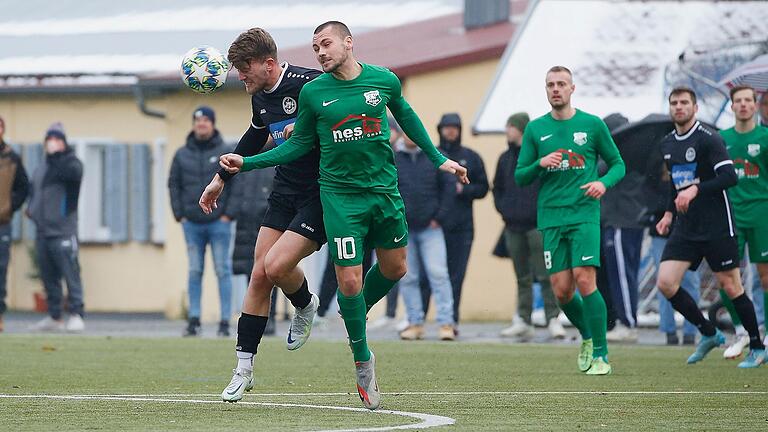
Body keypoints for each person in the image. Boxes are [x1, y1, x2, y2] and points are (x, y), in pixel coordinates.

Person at [218, 21, 468, 410]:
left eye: (326, 43)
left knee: (395, 269)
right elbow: (294, 143)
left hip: (375, 193)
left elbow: (406, 117)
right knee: (295, 273)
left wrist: (439, 159)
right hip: (332, 196)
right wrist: (239, 167)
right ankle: (340, 360)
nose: (320, 51)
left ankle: (345, 312)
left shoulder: (374, 81)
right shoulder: (311, 94)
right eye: (315, 46)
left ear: (349, 43)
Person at [197, 28, 324, 402]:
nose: (240, 75)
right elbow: (254, 138)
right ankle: (243, 369)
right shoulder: (261, 98)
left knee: (275, 266)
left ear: (269, 64)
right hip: (284, 190)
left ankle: (304, 303)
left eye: (244, 67)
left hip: (320, 192)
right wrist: (219, 180)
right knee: (259, 273)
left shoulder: (311, 85)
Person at [515, 66, 625, 375]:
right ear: (546, 90)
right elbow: (520, 176)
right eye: (550, 84)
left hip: (584, 215)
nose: (556, 89)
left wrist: (603, 183)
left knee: (585, 278)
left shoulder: (591, 125)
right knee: (562, 291)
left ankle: (602, 354)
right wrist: (539, 163)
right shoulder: (536, 130)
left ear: (572, 88)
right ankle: (587, 336)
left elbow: (618, 164)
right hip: (551, 217)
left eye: (561, 84)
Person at [654, 86, 764, 368]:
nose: (679, 107)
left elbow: (729, 177)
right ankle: (709, 333)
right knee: (666, 282)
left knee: (731, 285)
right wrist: (668, 213)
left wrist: (696, 190)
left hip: (717, 224)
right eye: (674, 103)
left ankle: (756, 345)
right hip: (687, 226)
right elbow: (676, 185)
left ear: (695, 108)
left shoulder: (709, 139)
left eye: (684, 103)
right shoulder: (667, 143)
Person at [169, 106, 240, 337]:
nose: (201, 125)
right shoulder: (181, 154)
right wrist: (180, 214)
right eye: (198, 121)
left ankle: (224, 322)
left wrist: (228, 213)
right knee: (194, 270)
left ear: (212, 124)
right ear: (193, 124)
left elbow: (236, 184)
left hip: (219, 222)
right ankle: (194, 320)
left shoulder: (224, 151)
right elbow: (174, 184)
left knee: (222, 270)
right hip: (192, 223)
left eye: (205, 121)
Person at [495, 112, 564, 340]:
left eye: (511, 126)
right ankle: (523, 320)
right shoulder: (505, 158)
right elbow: (497, 189)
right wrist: (505, 212)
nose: (507, 130)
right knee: (521, 276)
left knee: (545, 275)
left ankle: (553, 318)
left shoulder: (538, 157)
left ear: (521, 129)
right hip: (513, 227)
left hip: (537, 226)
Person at [717, 85, 768, 361]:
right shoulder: (720, 139)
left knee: (766, 277)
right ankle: (742, 332)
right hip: (730, 217)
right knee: (726, 278)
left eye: (749, 100)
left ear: (755, 105)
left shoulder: (765, 138)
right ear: (732, 105)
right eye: (739, 100)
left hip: (762, 213)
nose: (744, 105)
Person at [396, 132, 455, 341]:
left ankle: (446, 323)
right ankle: (415, 323)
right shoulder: (391, 156)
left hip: (432, 228)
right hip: (403, 230)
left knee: (438, 274)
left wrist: (440, 217)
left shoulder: (434, 154)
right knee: (408, 277)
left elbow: (449, 187)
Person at [27, 123, 85, 332]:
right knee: (48, 275)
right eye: (49, 139)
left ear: (63, 142)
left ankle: (77, 313)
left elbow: (74, 175)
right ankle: (54, 316)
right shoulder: (43, 166)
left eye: (55, 139)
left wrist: (59, 156)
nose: (51, 143)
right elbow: (34, 191)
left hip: (63, 229)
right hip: (43, 230)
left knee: (70, 272)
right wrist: (31, 209)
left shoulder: (70, 163)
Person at [435, 113, 489, 328]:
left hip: (462, 227)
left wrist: (463, 190)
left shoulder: (471, 157)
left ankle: (451, 320)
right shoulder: (433, 156)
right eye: (446, 127)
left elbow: (484, 187)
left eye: (454, 127)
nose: (450, 131)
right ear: (440, 129)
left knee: (456, 275)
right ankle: (418, 321)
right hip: (435, 226)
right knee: (431, 276)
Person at [230, 166, 276, 335]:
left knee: (271, 271)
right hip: (244, 226)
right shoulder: (241, 157)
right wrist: (230, 212)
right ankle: (252, 319)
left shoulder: (277, 157)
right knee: (252, 274)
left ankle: (269, 318)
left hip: (269, 222)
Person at [0, 115, 29, 332]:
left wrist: (9, 207)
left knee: (1, 269)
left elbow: (23, 188)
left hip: (2, 223)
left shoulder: (12, 158)